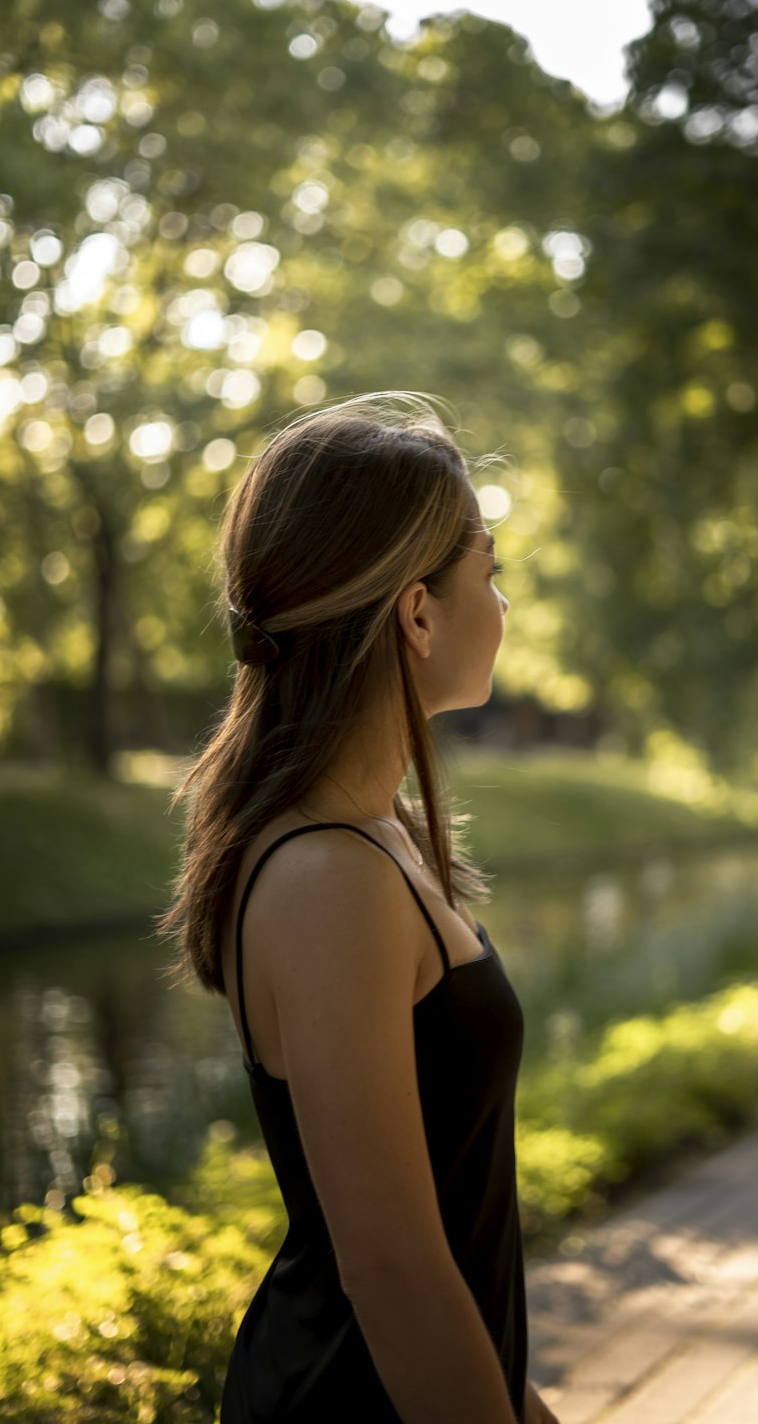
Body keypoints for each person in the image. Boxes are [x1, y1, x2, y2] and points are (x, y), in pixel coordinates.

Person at [159, 393, 560, 1423]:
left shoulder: (375, 840)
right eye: (491, 575)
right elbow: (393, 1274)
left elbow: (449, 1247)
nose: (504, 608)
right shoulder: (328, 881)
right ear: (417, 613)